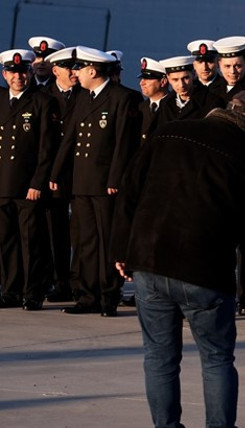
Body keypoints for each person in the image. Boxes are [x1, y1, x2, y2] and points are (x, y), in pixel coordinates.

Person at [111, 89, 245, 428]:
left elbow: (128, 193)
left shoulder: (168, 132)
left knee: (159, 359)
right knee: (216, 359)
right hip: (204, 270)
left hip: (149, 263)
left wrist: (121, 252)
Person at [50, 46, 141, 317]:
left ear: (93, 70)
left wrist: (115, 177)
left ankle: (107, 296)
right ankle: (86, 295)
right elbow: (70, 139)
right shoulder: (82, 98)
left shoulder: (121, 98)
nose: (75, 73)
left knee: (106, 241)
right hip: (81, 182)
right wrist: (57, 173)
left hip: (105, 183)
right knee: (85, 241)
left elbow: (124, 143)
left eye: (79, 69)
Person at [0, 48, 57, 310]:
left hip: (27, 186)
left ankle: (32, 292)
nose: (18, 77)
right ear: (4, 74)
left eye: (23, 71)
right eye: (13, 72)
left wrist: (38, 182)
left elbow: (46, 148)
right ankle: (10, 290)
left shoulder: (41, 101)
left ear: (30, 72)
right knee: (6, 241)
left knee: (30, 242)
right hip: (3, 184)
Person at [40, 47, 81, 303]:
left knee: (78, 231)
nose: (74, 72)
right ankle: (58, 280)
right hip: (52, 171)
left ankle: (77, 281)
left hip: (78, 171)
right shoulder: (44, 97)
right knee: (54, 230)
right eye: (69, 68)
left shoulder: (85, 95)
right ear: (56, 71)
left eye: (76, 68)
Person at [158, 55, 225, 122]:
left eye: (185, 78)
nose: (181, 85)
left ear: (193, 75)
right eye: (175, 80)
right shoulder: (165, 104)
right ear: (168, 79)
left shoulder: (211, 102)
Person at [136, 57, 169, 144]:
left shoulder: (173, 106)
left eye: (147, 79)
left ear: (163, 81)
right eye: (142, 79)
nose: (142, 83)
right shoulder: (140, 108)